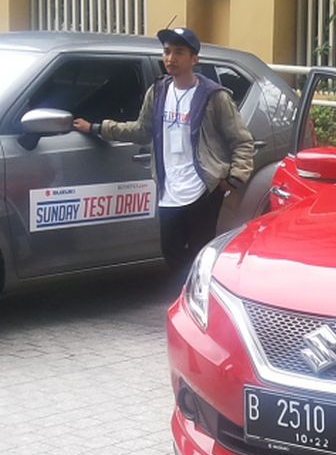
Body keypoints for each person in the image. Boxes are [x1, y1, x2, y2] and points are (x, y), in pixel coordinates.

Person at [73, 26, 255, 278]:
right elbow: (141, 130)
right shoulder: (158, 92)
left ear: (194, 59)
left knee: (200, 254)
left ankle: (195, 306)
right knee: (170, 250)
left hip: (202, 188)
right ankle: (190, 296)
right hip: (169, 188)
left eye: (179, 52)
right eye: (167, 52)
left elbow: (242, 141)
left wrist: (233, 180)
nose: (171, 58)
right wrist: (96, 127)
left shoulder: (214, 96)